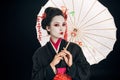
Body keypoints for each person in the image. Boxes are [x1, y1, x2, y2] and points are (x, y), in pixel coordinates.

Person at [32, 7, 90, 80]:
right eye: (56, 25)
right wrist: (52, 65)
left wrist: (71, 65)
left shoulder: (75, 49)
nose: (61, 28)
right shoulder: (39, 53)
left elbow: (86, 75)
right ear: (48, 28)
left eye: (63, 24)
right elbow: (35, 78)